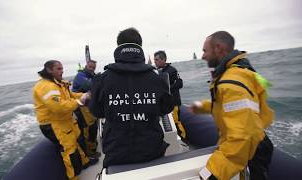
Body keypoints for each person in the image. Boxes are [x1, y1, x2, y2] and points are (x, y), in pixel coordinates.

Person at [190, 31, 274, 180]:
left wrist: (212, 174)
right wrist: (202, 107)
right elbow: (229, 105)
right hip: (257, 142)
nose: (202, 56)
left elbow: (243, 136)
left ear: (218, 48)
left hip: (253, 151)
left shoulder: (231, 83)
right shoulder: (240, 71)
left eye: (205, 50)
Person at [89, 27, 175, 167]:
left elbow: (96, 111)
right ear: (139, 46)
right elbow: (166, 108)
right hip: (151, 149)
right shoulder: (156, 79)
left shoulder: (102, 80)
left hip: (116, 151)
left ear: (119, 46)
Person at [33, 60, 97, 180]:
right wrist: (80, 101)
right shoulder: (46, 86)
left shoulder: (60, 83)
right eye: (58, 69)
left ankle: (85, 162)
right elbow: (59, 107)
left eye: (62, 68)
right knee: (70, 151)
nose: (62, 71)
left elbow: (71, 95)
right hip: (54, 124)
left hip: (66, 120)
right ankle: (73, 178)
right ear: (49, 70)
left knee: (79, 140)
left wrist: (86, 95)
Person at [154, 51, 186, 143]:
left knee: (176, 122)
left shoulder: (172, 70)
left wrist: (167, 89)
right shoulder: (156, 72)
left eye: (157, 60)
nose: (155, 62)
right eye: (154, 60)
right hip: (163, 103)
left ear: (164, 60)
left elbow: (180, 83)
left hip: (174, 102)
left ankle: (183, 140)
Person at [72, 60, 100, 158]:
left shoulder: (92, 76)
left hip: (90, 108)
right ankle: (89, 153)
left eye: (93, 67)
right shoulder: (80, 76)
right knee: (88, 130)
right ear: (86, 66)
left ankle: (93, 147)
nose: (92, 69)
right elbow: (91, 87)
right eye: (90, 67)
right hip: (82, 108)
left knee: (93, 127)